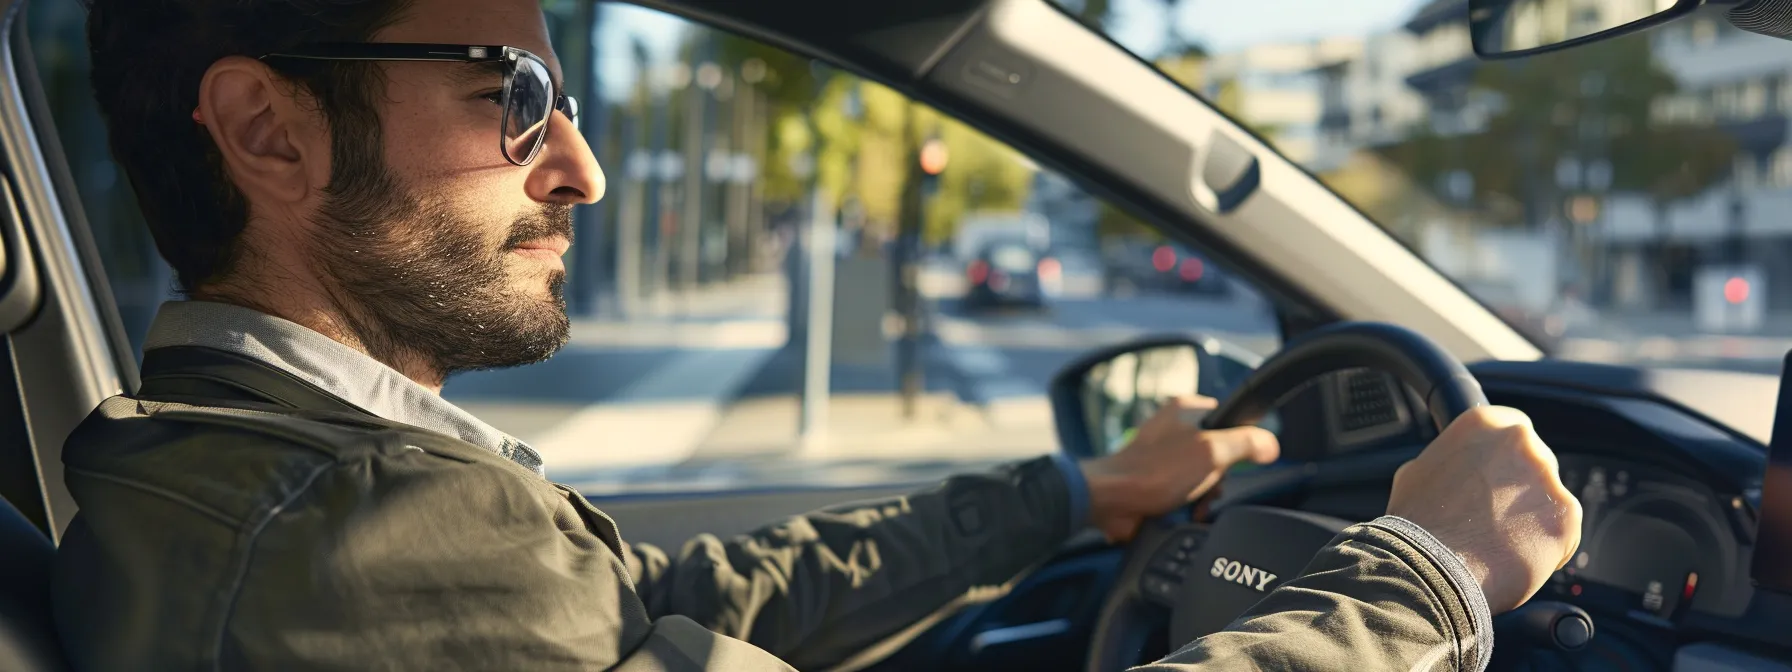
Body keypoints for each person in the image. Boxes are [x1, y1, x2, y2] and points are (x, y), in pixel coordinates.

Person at [50, 0, 1582, 669]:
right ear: (269, 132)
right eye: (511, 93)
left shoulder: (298, 479)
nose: (581, 163)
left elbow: (683, 600)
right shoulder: (348, 542)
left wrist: (1076, 496)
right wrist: (1423, 580)